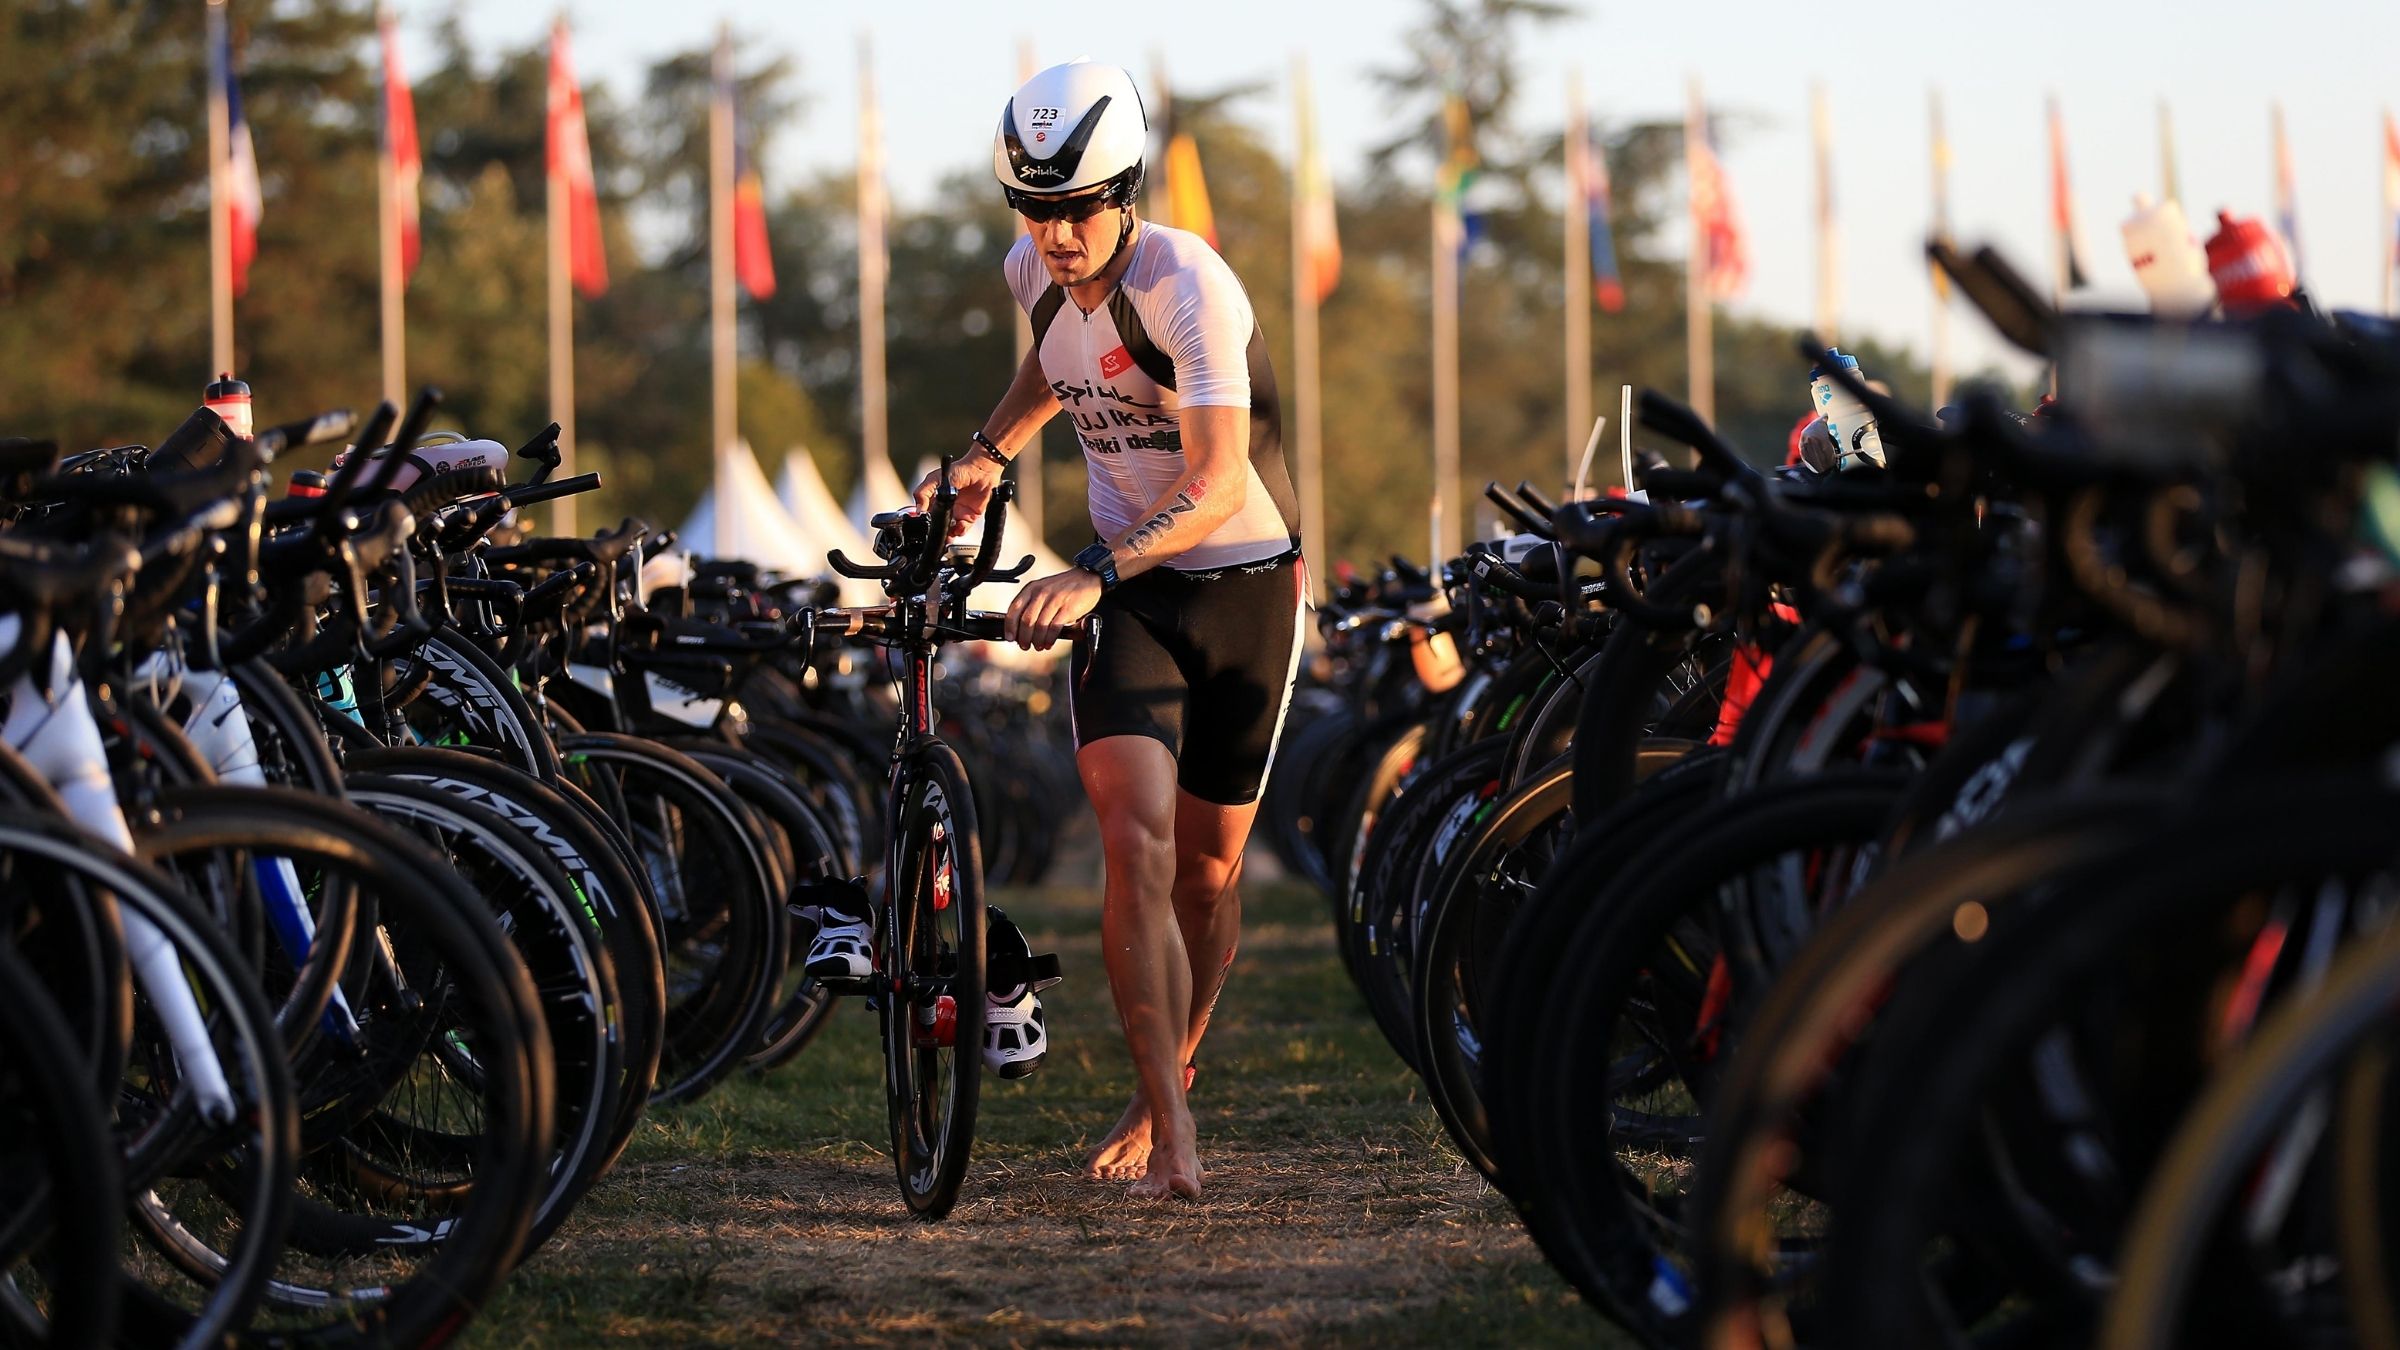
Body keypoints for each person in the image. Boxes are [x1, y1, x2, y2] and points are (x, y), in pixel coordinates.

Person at [822, 58, 1305, 1202]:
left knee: (1208, 875)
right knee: (1134, 841)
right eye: (1032, 208)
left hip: (1242, 584)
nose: (1055, 233)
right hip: (1131, 602)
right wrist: (985, 457)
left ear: (1124, 192)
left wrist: (1092, 569)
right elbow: (1056, 363)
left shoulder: (1187, 283)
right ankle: (1172, 1122)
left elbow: (1220, 479)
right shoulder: (1033, 272)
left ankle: (1168, 1076)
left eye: (1078, 207)